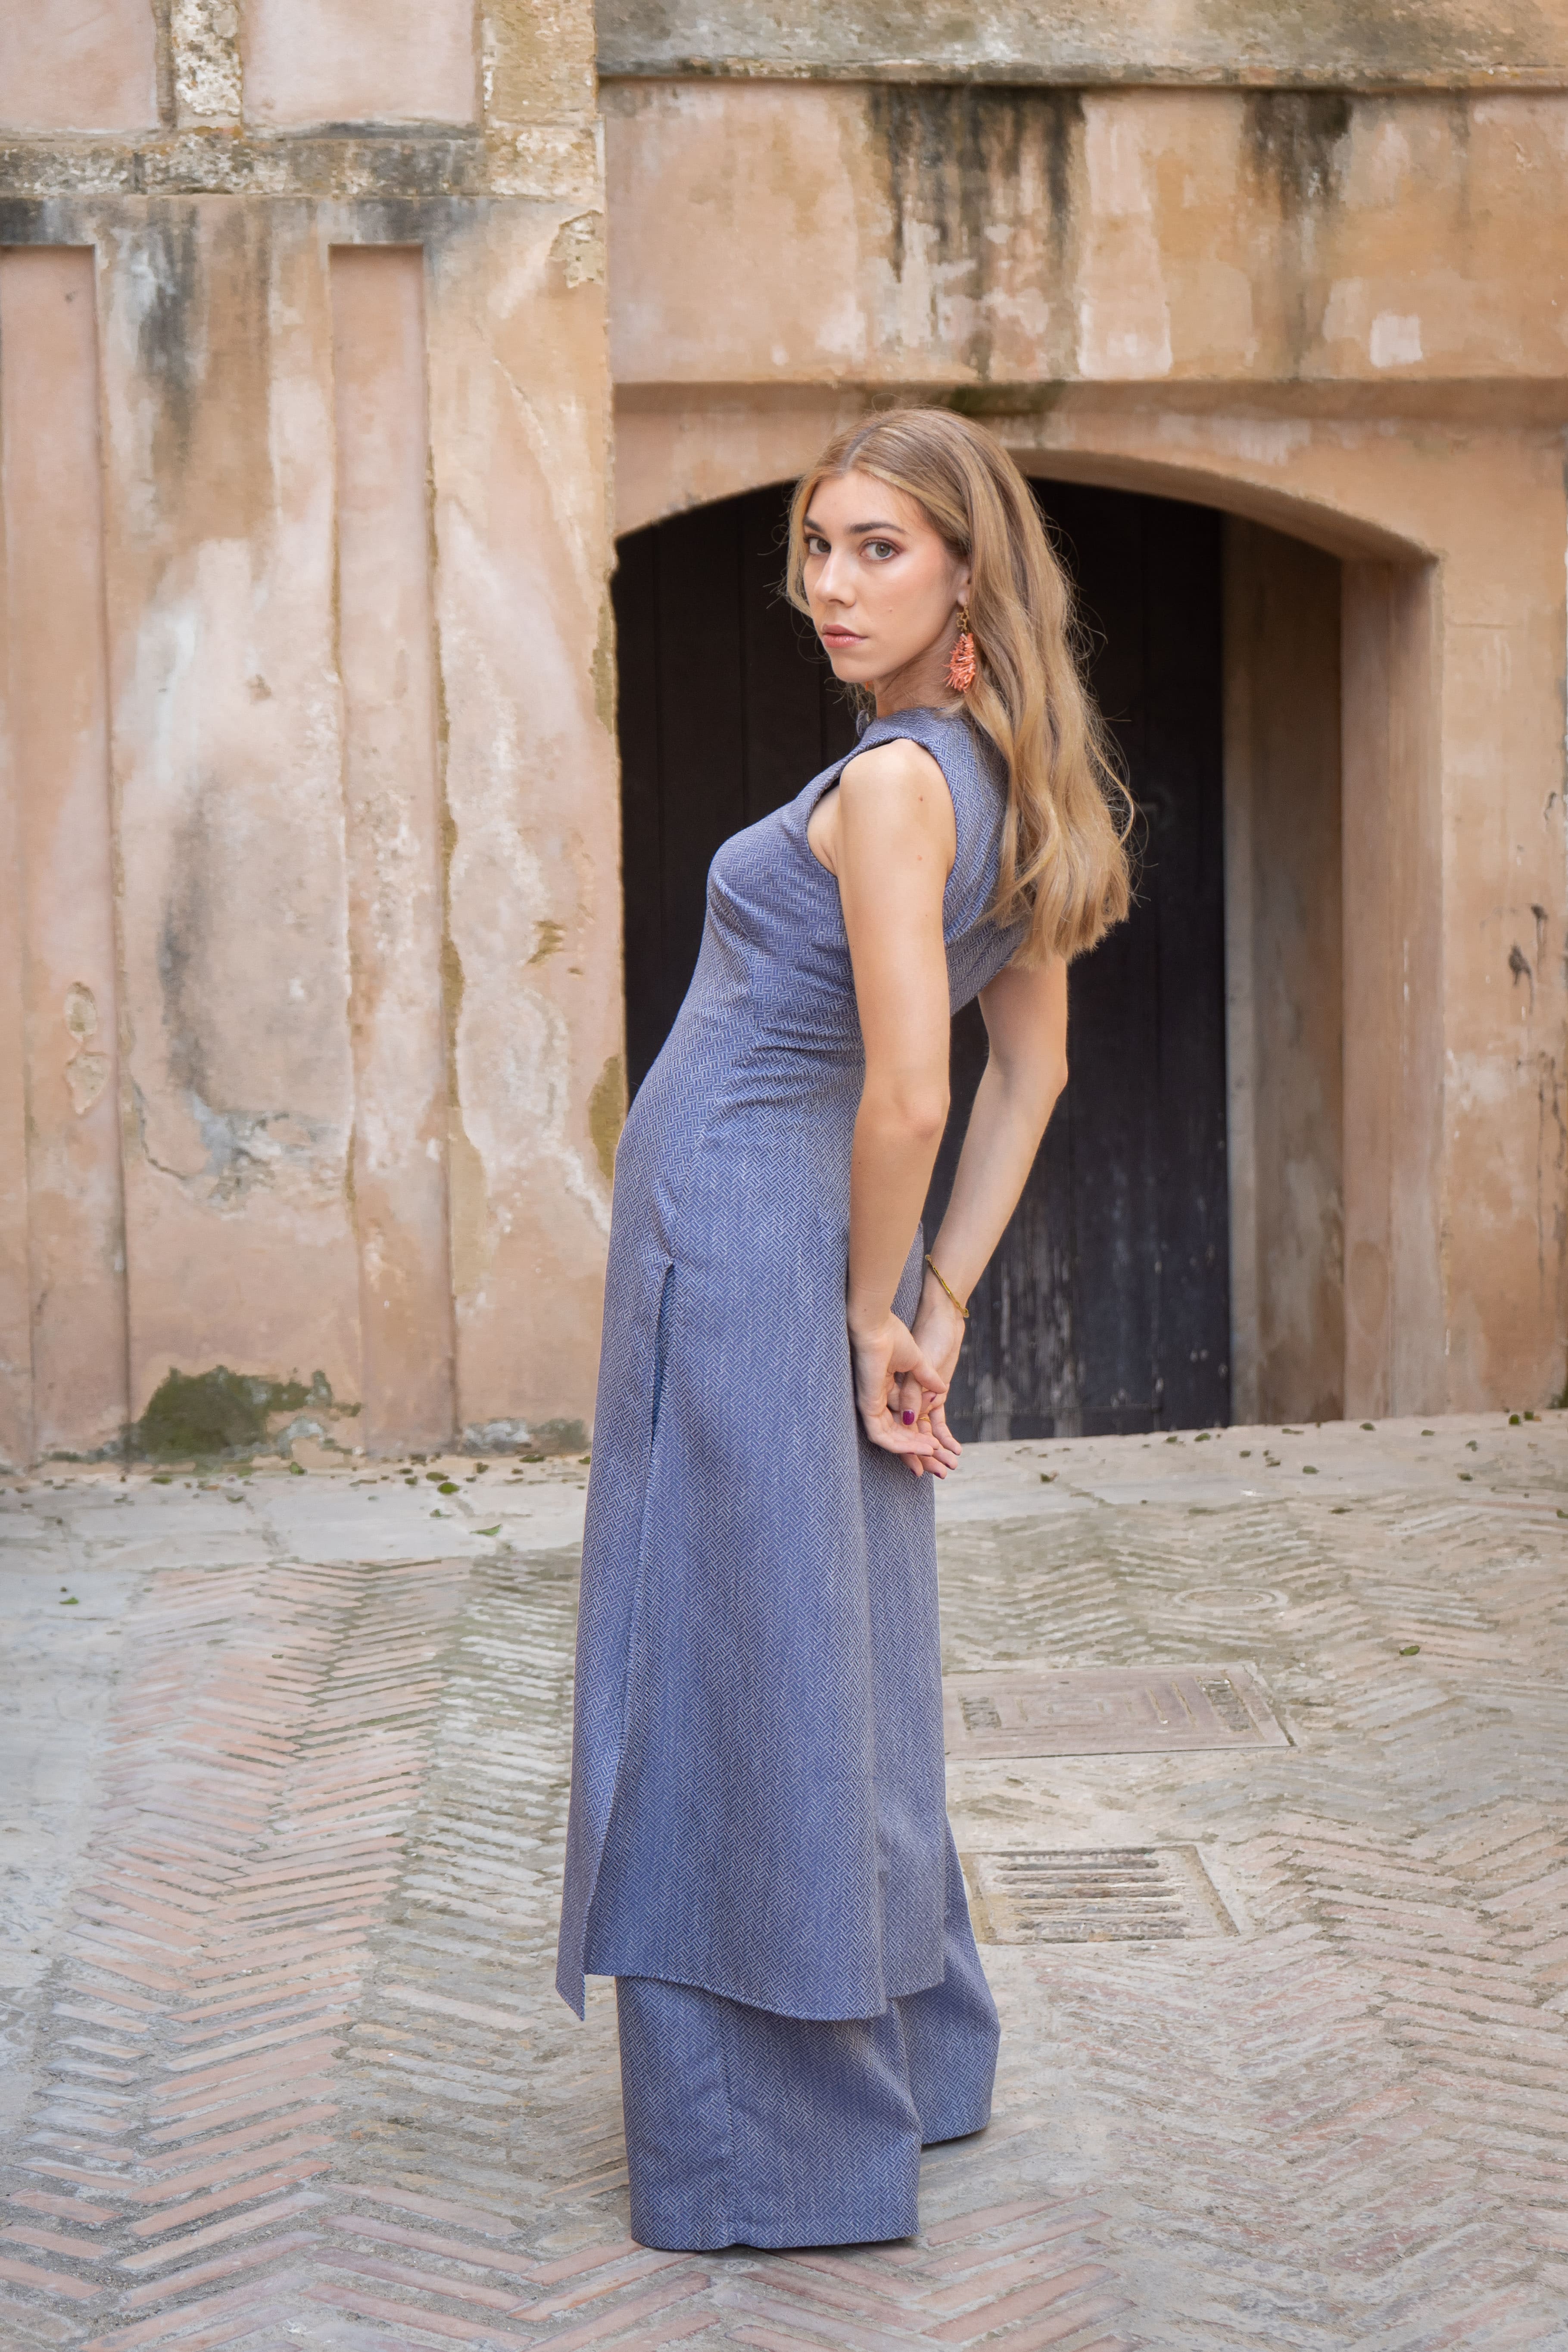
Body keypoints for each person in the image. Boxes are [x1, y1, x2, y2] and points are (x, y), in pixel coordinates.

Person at [556, 407, 1132, 2254]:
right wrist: (929, 1303)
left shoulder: (895, 785)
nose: (830, 583)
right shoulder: (1012, 770)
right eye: (818, 544)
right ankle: (911, 2058)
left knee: (729, 1649)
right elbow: (1029, 1076)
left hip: (751, 1238)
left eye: (878, 547)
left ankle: (773, 2144)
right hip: (796, 1238)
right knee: (836, 1637)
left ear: (968, 570)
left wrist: (881, 1305)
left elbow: (918, 1088)